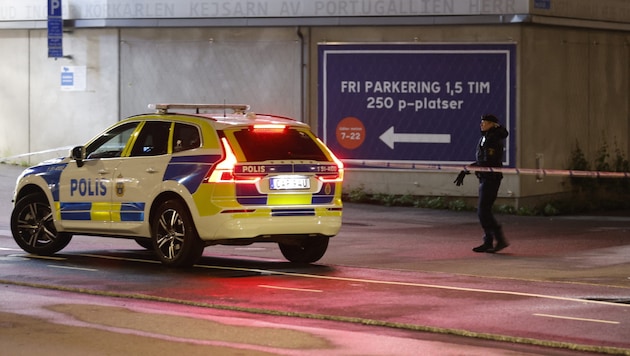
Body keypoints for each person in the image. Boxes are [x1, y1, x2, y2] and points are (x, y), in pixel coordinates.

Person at [454, 114, 510, 253]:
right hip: (485, 177)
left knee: (483, 211)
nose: (481, 124)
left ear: (493, 124)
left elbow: (487, 162)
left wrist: (469, 168)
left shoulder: (493, 139)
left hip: (491, 178)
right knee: (484, 211)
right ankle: (489, 241)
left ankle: (499, 239)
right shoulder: (486, 137)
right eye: (481, 122)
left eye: (485, 122)